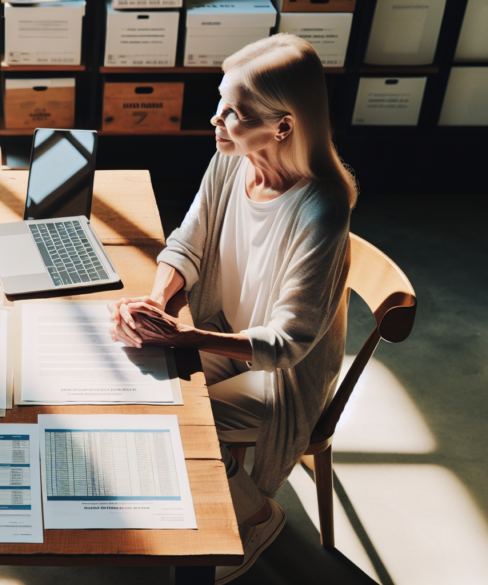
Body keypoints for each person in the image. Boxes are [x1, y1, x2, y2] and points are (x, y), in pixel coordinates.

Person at [107, 33, 355, 584]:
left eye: (232, 112)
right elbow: (186, 243)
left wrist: (184, 339)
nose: (215, 121)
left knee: (174, 421)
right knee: (128, 381)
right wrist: (156, 299)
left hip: (280, 380)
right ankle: (221, 505)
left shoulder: (321, 207)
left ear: (282, 127)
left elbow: (287, 345)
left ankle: (256, 515)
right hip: (225, 333)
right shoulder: (231, 160)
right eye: (220, 103)